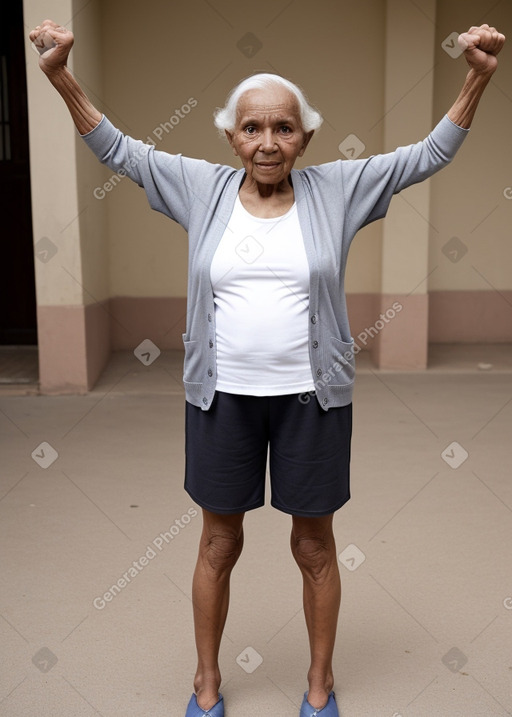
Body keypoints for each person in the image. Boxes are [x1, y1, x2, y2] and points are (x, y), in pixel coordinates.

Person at [29, 19, 505, 717]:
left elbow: (425, 156)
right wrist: (61, 76)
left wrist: (477, 77)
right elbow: (117, 150)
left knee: (314, 544)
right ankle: (207, 682)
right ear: (230, 137)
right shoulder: (199, 187)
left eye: (283, 128)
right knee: (218, 540)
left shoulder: (337, 189)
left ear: (305, 138)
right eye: (252, 128)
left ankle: (319, 685)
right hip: (220, 397)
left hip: (313, 398)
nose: (268, 143)